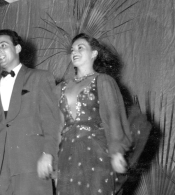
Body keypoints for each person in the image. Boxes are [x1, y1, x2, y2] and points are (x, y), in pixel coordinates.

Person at [0, 29, 60, 195]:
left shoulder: (40, 78)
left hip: (31, 163)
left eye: (3, 45)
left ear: (18, 48)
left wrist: (48, 154)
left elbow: (52, 122)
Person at [56, 33, 132, 195]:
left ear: (94, 54)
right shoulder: (61, 88)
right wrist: (53, 159)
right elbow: (56, 126)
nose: (74, 51)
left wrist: (117, 152)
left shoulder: (103, 81)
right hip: (67, 155)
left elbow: (113, 117)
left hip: (96, 152)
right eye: (72, 49)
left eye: (80, 48)